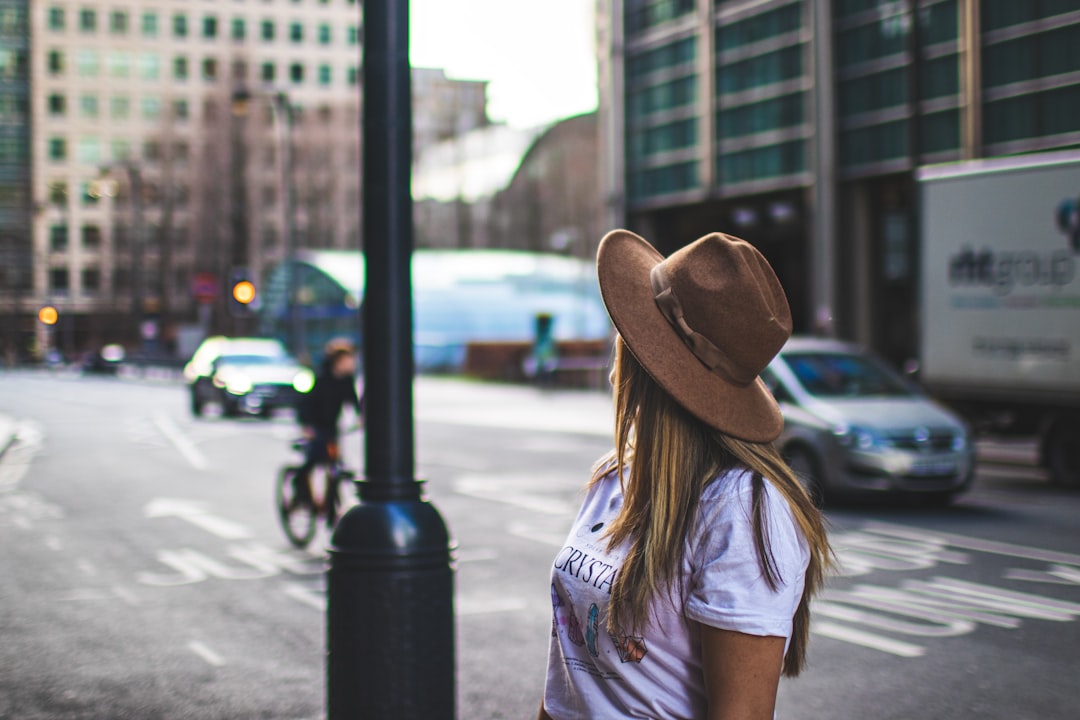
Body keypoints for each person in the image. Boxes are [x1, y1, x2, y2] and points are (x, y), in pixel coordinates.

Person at [540, 231, 832, 720]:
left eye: (630, 331)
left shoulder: (743, 507)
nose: (617, 357)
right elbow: (567, 683)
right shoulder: (615, 475)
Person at [294, 339, 363, 508]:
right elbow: (305, 403)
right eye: (349, 360)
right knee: (315, 459)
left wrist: (360, 416)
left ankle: (331, 504)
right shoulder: (320, 377)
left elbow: (352, 401)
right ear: (338, 361)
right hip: (315, 426)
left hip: (332, 427)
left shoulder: (346, 380)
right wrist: (307, 426)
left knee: (335, 464)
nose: (352, 363)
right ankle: (300, 489)